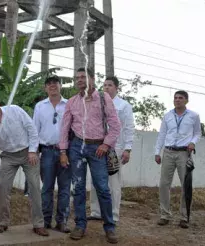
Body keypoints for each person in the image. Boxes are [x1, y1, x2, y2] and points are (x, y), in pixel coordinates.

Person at [59, 68, 121, 244]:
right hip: (77, 146)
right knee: (77, 188)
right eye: (77, 78)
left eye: (83, 77)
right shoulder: (71, 102)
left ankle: (110, 227)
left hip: (98, 148)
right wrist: (63, 151)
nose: (80, 80)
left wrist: (106, 144)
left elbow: (115, 125)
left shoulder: (104, 98)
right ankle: (80, 225)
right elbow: (64, 128)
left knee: (102, 188)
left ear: (92, 79)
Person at [0, 92, 48, 236]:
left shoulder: (14, 110)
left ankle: (38, 224)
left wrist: (33, 150)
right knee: (3, 188)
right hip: (8, 157)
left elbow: (32, 129)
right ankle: (1, 222)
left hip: (27, 152)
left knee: (35, 187)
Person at [89, 76, 135, 225]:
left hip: (115, 148)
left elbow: (129, 127)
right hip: (97, 146)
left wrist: (128, 148)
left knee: (113, 183)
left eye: (110, 85)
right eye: (105, 85)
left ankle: (113, 214)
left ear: (116, 88)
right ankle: (96, 211)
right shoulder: (97, 103)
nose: (106, 88)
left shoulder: (124, 106)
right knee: (96, 180)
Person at [154, 90, 201, 229]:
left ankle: (184, 217)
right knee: (163, 184)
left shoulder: (194, 116)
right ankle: (165, 215)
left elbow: (198, 133)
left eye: (181, 98)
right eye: (175, 98)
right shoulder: (167, 116)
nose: (177, 100)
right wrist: (157, 152)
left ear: (186, 100)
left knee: (186, 185)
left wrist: (193, 142)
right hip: (168, 152)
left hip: (184, 153)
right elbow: (162, 134)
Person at [33, 75, 71, 233]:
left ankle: (62, 222)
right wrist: (33, 151)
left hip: (66, 152)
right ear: (45, 88)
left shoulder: (69, 105)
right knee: (46, 188)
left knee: (65, 188)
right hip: (47, 151)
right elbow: (34, 130)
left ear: (60, 86)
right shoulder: (40, 106)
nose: (52, 86)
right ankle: (46, 221)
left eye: (55, 83)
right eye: (49, 84)